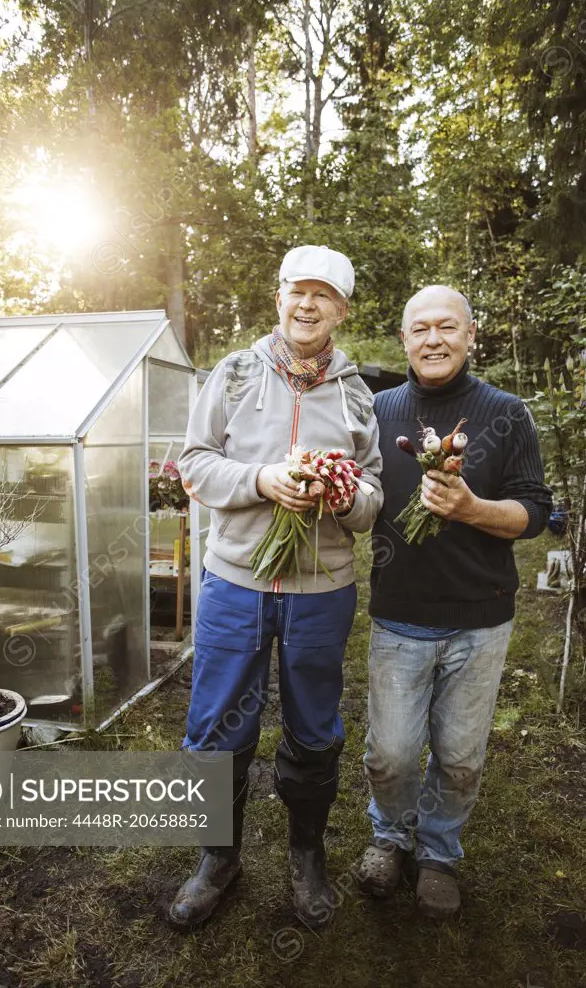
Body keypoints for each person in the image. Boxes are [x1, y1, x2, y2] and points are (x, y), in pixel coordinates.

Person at [170, 245, 383, 931]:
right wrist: (262, 479)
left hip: (322, 587)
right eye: (299, 290)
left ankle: (306, 853)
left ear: (341, 310)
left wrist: (344, 495)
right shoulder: (233, 374)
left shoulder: (355, 392)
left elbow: (374, 491)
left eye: (324, 295)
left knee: (315, 726)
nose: (308, 304)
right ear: (280, 296)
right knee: (217, 725)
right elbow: (193, 466)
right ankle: (218, 859)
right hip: (235, 583)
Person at [358, 285, 552, 919]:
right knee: (390, 754)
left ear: (471, 335)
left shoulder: (507, 413)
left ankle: (438, 851)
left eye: (447, 327)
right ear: (405, 339)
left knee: (461, 754)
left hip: (480, 616)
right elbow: (357, 494)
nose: (433, 340)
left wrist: (471, 508)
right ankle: (390, 834)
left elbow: (534, 514)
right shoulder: (377, 408)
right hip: (399, 612)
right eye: (420, 329)